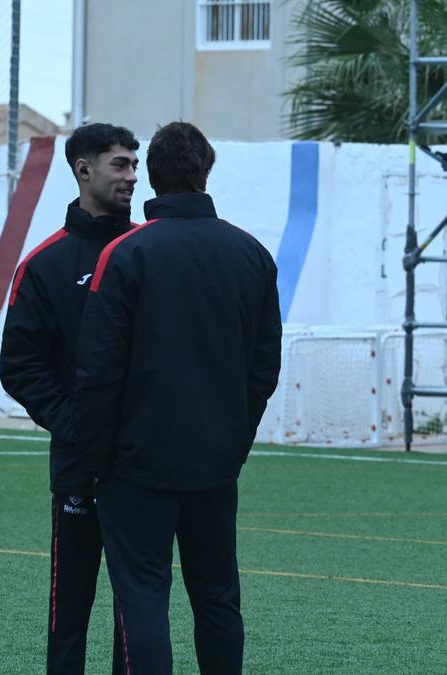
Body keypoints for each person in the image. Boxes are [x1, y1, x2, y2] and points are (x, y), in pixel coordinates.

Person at [71, 121, 282, 674]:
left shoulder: (125, 253)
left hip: (137, 465)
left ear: (152, 179)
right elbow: (265, 367)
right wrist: (235, 437)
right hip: (215, 462)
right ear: (205, 171)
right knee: (217, 597)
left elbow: (98, 372)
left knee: (144, 599)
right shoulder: (252, 254)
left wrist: (94, 459)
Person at [0, 122, 139, 674]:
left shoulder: (150, 248)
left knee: (139, 609)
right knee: (69, 612)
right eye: (119, 164)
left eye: (134, 163)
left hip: (144, 464)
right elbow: (19, 366)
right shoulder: (45, 263)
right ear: (83, 169)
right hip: (79, 465)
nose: (132, 175)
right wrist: (74, 424)